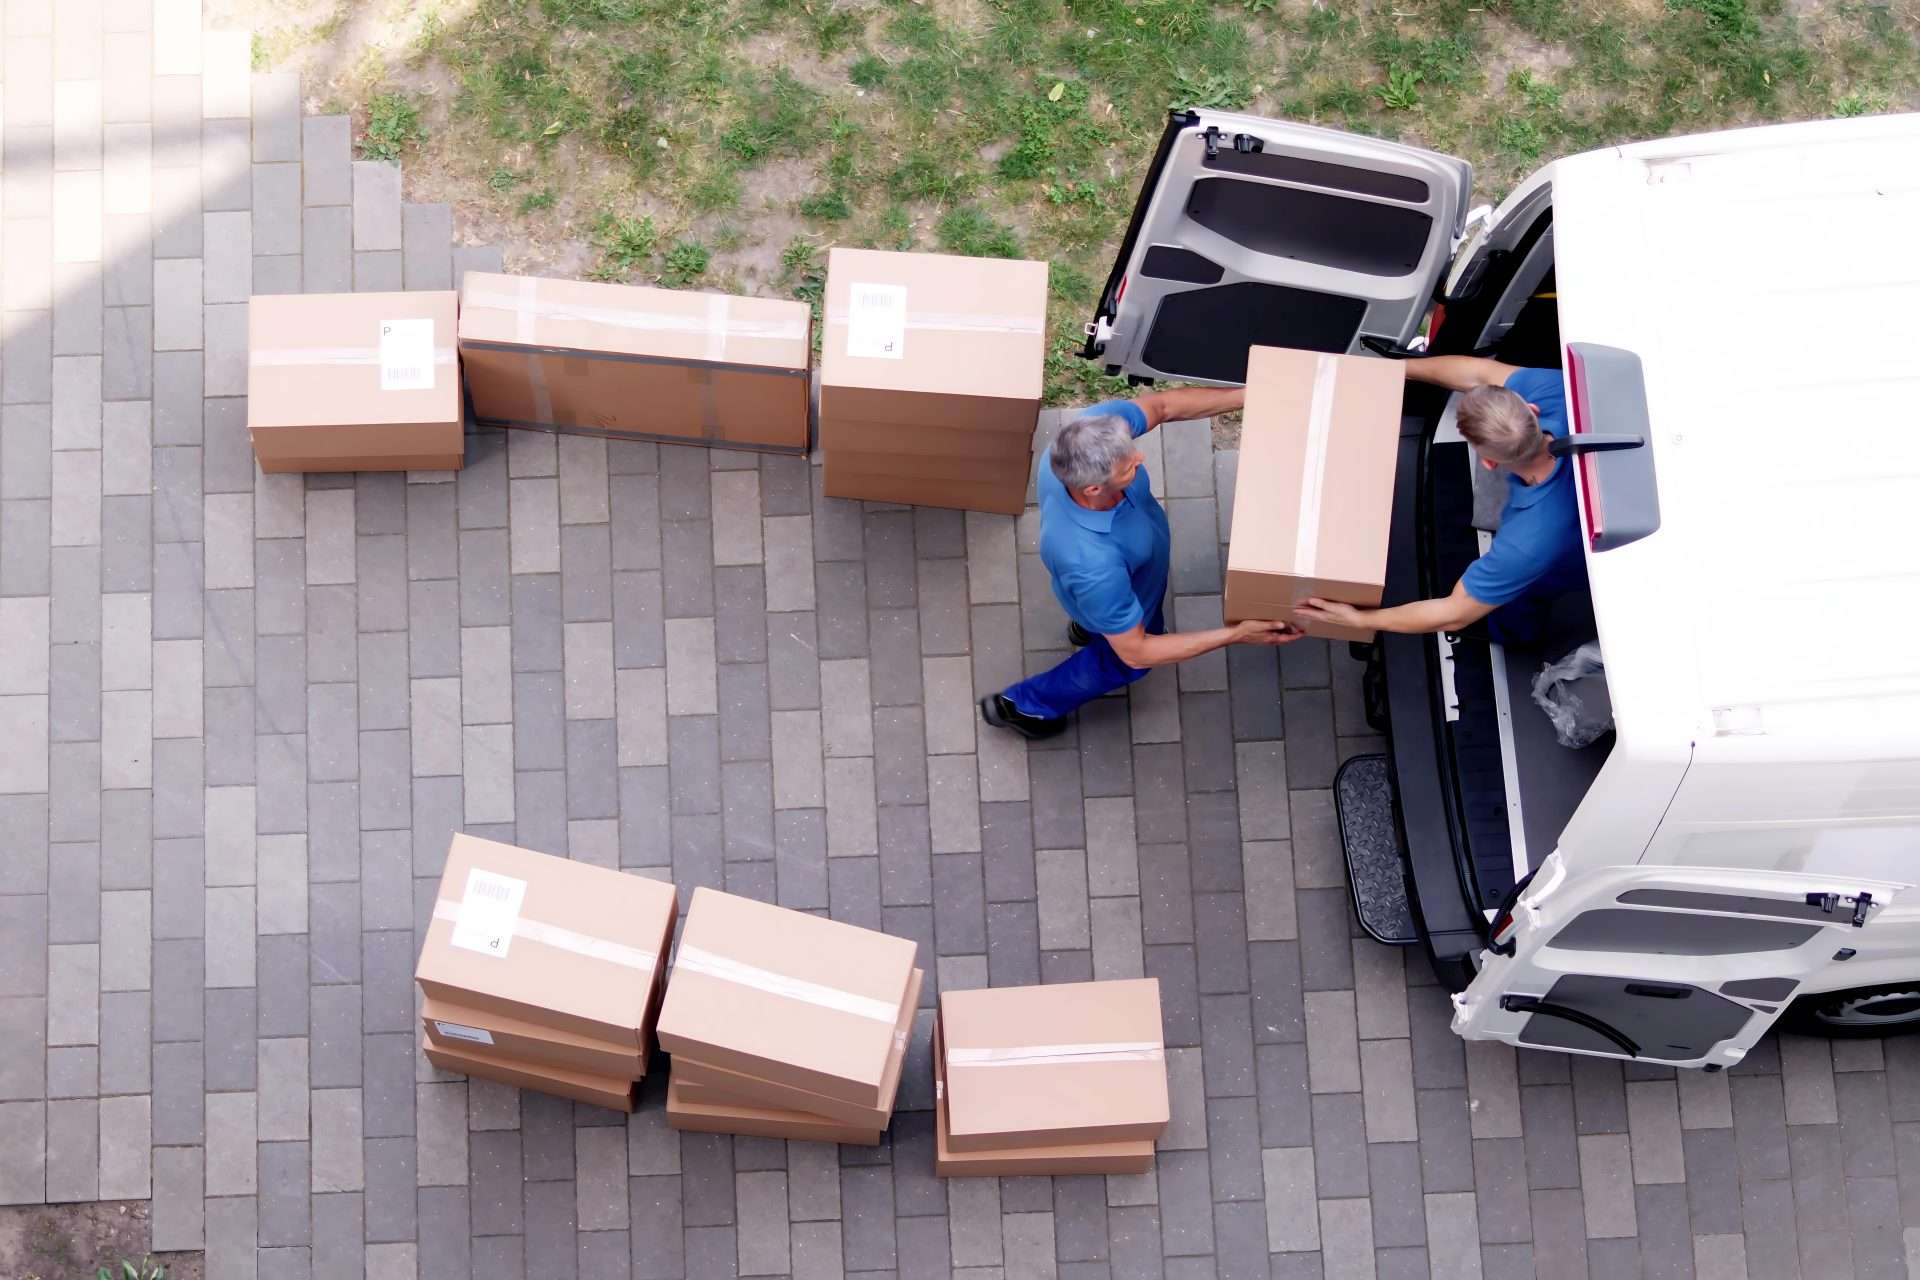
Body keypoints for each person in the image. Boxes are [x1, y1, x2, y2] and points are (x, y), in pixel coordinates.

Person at [979, 391, 1302, 740]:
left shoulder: (1084, 437)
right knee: (1119, 663)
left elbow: (1162, 407)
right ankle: (1026, 704)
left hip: (1116, 587)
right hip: (1116, 593)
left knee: (1104, 623)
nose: (1140, 456)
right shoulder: (1093, 564)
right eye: (1130, 465)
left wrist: (1254, 393)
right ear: (1093, 488)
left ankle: (1092, 628)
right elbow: (1137, 651)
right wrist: (1238, 634)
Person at [1293, 356, 1585, 647]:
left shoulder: (1526, 544)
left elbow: (1454, 613)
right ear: (1531, 408)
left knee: (1515, 602)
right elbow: (1480, 373)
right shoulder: (1560, 389)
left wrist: (1361, 620)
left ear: (1489, 463)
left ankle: (1517, 635)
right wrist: (1395, 370)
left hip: (1578, 562)